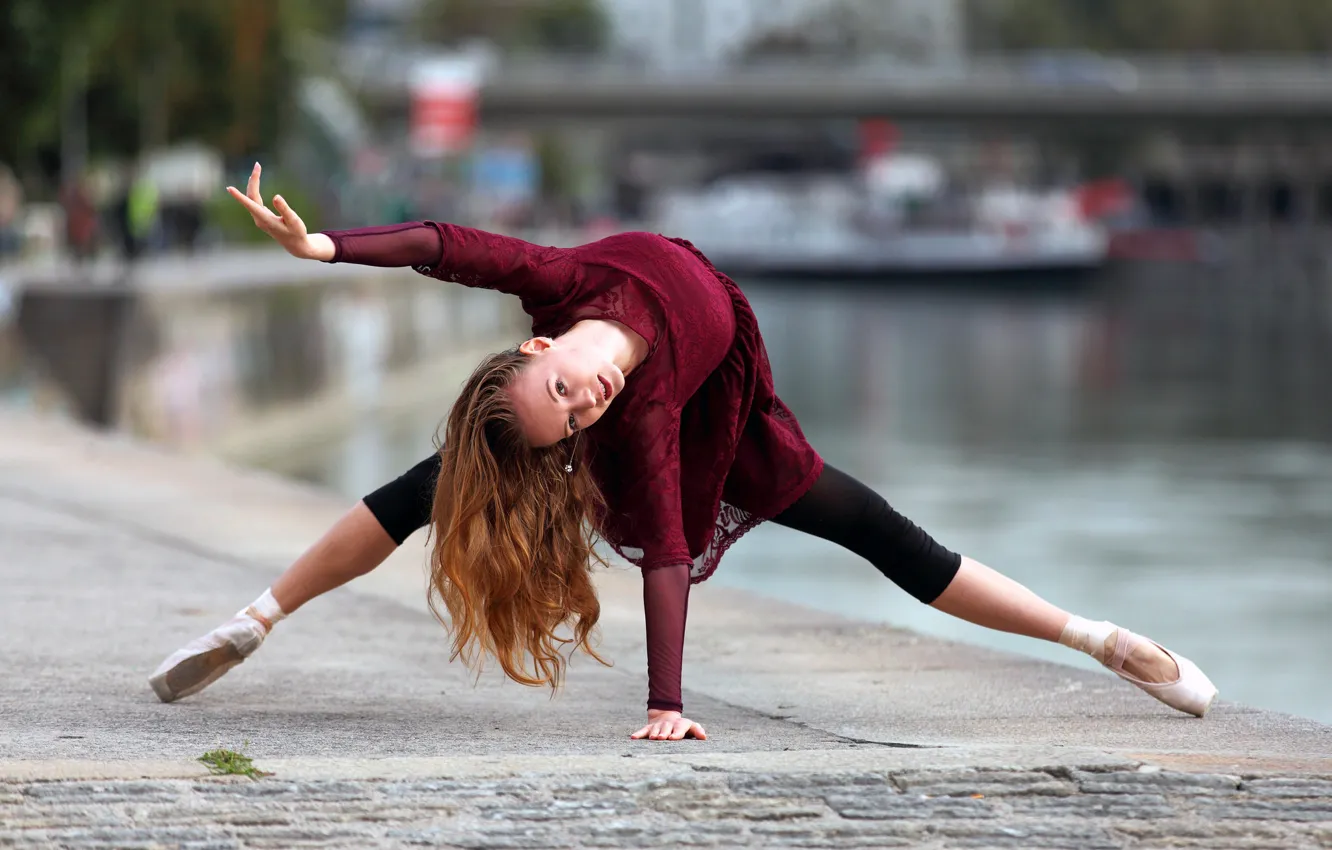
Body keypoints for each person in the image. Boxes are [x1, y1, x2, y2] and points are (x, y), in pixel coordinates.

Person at [149, 164, 1217, 741]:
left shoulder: (560, 281)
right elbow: (665, 553)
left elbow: (445, 244)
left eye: (565, 392)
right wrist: (667, 702)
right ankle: (255, 619)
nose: (586, 399)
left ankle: (1102, 641)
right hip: (691, 423)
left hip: (733, 421)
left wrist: (326, 245)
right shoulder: (635, 417)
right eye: (573, 417)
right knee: (424, 490)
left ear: (540, 344)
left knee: (887, 535)